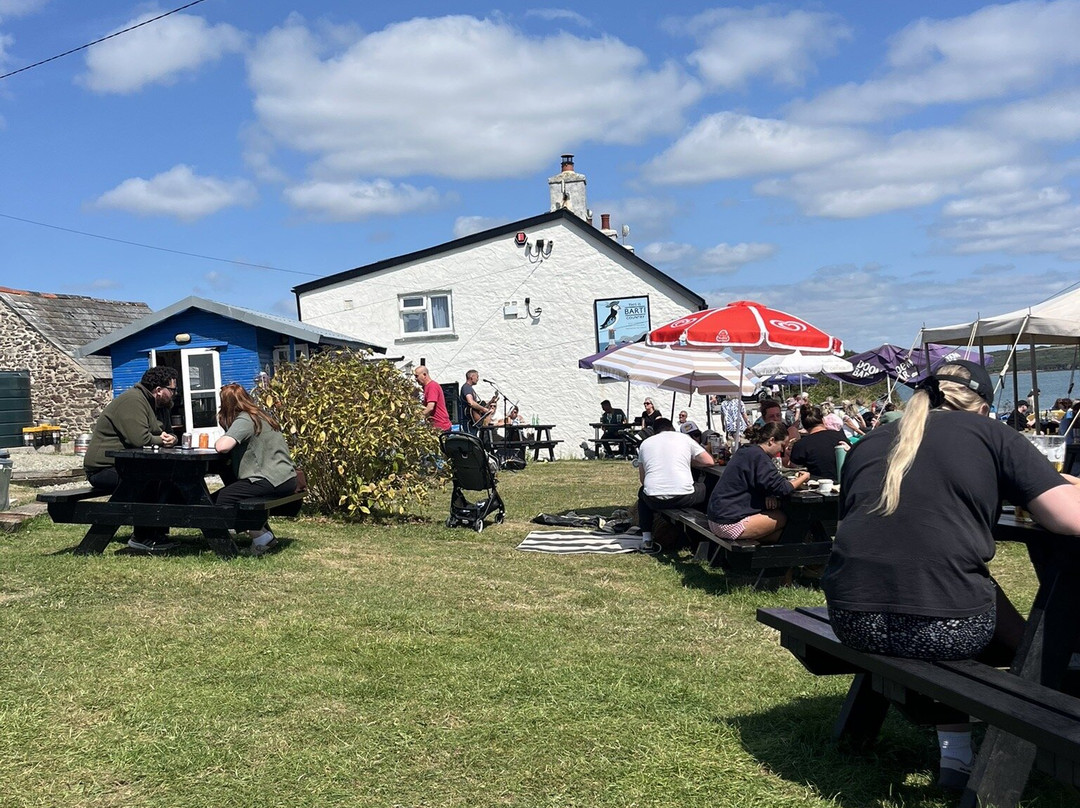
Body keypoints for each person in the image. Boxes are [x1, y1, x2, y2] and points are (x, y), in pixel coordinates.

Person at [821, 360, 1080, 790]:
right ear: (983, 408)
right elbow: (1070, 519)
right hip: (943, 629)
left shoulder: (872, 440)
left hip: (851, 619)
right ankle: (1048, 679)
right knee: (956, 589)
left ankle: (960, 752)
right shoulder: (992, 433)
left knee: (948, 579)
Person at [83, 366, 180, 551]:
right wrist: (162, 440)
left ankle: (156, 531)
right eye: (173, 389)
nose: (175, 393)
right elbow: (139, 439)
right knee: (147, 481)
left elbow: (167, 433)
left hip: (130, 467)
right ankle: (141, 537)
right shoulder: (133, 401)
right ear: (159, 390)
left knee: (167, 479)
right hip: (104, 468)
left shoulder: (162, 406)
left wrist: (172, 439)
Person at [214, 383, 298, 555]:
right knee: (234, 491)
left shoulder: (245, 419)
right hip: (286, 477)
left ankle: (260, 537)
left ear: (227, 404)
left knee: (223, 499)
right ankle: (261, 533)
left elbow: (222, 446)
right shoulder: (260, 415)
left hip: (269, 479)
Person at [707, 422, 811, 544]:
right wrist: (804, 477)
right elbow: (782, 488)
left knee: (782, 533)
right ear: (771, 441)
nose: (782, 450)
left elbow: (762, 481)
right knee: (785, 517)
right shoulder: (760, 457)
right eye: (782, 445)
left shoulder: (746, 450)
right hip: (728, 523)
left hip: (716, 518)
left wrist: (768, 493)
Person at [637, 418, 714, 553]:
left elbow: (643, 480)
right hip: (683, 496)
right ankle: (708, 529)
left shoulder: (645, 444)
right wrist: (688, 461)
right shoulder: (684, 439)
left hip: (653, 499)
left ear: (654, 431)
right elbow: (709, 461)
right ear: (672, 428)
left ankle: (647, 538)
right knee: (707, 487)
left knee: (642, 493)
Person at [789, 405, 851, 479]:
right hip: (844, 481)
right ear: (823, 420)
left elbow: (794, 467)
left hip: (816, 483)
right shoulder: (840, 436)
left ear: (804, 425)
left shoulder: (801, 444)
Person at [414, 365, 452, 432]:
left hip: (440, 427)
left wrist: (416, 418)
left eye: (417, 376)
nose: (415, 379)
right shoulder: (426, 387)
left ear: (424, 375)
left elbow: (430, 407)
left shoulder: (432, 386)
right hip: (434, 426)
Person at [459, 369, 495, 435]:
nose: (478, 379)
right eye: (477, 377)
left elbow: (475, 405)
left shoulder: (469, 388)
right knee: (470, 439)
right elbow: (471, 402)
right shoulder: (467, 388)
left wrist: (489, 403)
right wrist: (483, 409)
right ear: (472, 377)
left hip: (472, 421)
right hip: (469, 422)